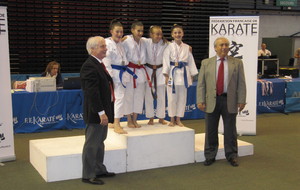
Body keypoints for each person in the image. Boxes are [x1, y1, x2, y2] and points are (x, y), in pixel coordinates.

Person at [197, 37, 247, 167]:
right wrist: (200, 99)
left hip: (229, 100)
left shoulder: (237, 63)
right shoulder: (206, 63)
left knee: (230, 131)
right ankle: (209, 155)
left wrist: (241, 100)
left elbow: (241, 83)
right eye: (221, 45)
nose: (224, 47)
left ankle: (232, 156)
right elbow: (201, 84)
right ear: (215, 48)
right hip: (211, 101)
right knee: (210, 130)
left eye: (226, 45)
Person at [80, 36, 115, 185]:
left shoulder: (99, 64)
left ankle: (99, 169)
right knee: (92, 144)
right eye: (102, 46)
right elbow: (92, 93)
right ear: (92, 49)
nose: (105, 48)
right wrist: (101, 113)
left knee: (100, 142)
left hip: (102, 112)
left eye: (105, 46)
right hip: (97, 113)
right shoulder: (89, 66)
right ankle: (88, 175)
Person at [162, 24, 198, 127]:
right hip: (172, 74)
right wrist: (166, 75)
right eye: (175, 33)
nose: (177, 34)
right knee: (172, 98)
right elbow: (165, 61)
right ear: (172, 35)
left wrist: (191, 74)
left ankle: (178, 119)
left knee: (182, 98)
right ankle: (172, 119)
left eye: (179, 32)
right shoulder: (168, 47)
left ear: (183, 34)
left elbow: (190, 61)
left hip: (184, 75)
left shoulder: (187, 47)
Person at [103, 19, 132, 134]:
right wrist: (110, 78)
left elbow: (131, 36)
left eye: (121, 32)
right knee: (118, 98)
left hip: (122, 73)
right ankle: (116, 123)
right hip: (114, 74)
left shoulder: (120, 43)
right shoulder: (107, 43)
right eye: (117, 32)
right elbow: (106, 61)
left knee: (119, 98)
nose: (120, 34)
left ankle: (113, 121)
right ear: (111, 31)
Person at [122, 20, 151, 128]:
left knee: (139, 97)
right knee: (129, 96)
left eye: (142, 31)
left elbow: (158, 40)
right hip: (130, 70)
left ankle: (135, 119)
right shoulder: (126, 40)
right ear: (132, 30)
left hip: (141, 71)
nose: (140, 33)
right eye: (138, 31)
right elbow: (115, 43)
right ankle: (129, 119)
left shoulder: (144, 41)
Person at [144, 25, 168, 125]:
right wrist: (126, 37)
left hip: (160, 70)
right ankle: (150, 117)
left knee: (161, 94)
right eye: (157, 34)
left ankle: (161, 117)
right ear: (151, 34)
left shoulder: (165, 44)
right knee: (148, 95)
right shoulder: (145, 42)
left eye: (160, 34)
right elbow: (133, 38)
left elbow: (176, 45)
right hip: (148, 70)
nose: (159, 36)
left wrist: (188, 47)